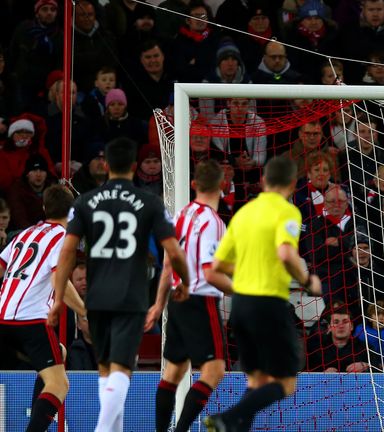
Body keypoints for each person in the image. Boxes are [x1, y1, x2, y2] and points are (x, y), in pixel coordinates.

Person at [48, 138, 190, 432]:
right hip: (131, 296)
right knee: (122, 371)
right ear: (135, 167)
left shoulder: (84, 203)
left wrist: (59, 297)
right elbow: (174, 251)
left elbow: (66, 252)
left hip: (96, 298)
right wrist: (186, 282)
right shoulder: (150, 202)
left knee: (106, 372)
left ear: (106, 165)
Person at [204, 155, 322, 431]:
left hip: (240, 306)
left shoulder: (244, 213)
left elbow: (218, 265)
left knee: (256, 382)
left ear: (263, 181)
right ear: (293, 184)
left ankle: (231, 424)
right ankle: (227, 417)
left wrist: (249, 267)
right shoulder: (287, 211)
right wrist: (308, 281)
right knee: (286, 383)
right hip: (268, 304)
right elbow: (285, 253)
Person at [144, 160, 231, 432]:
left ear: (194, 185)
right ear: (223, 186)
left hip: (176, 298)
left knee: (173, 372)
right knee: (214, 371)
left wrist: (158, 304)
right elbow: (209, 273)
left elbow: (168, 262)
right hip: (200, 300)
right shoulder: (213, 222)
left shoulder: (181, 215)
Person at [0, 185, 87, 432]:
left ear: (44, 208)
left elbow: (1, 266)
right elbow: (59, 281)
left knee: (59, 352)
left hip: (3, 318)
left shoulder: (24, 234)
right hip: (30, 321)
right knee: (59, 385)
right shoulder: (63, 239)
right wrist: (84, 311)